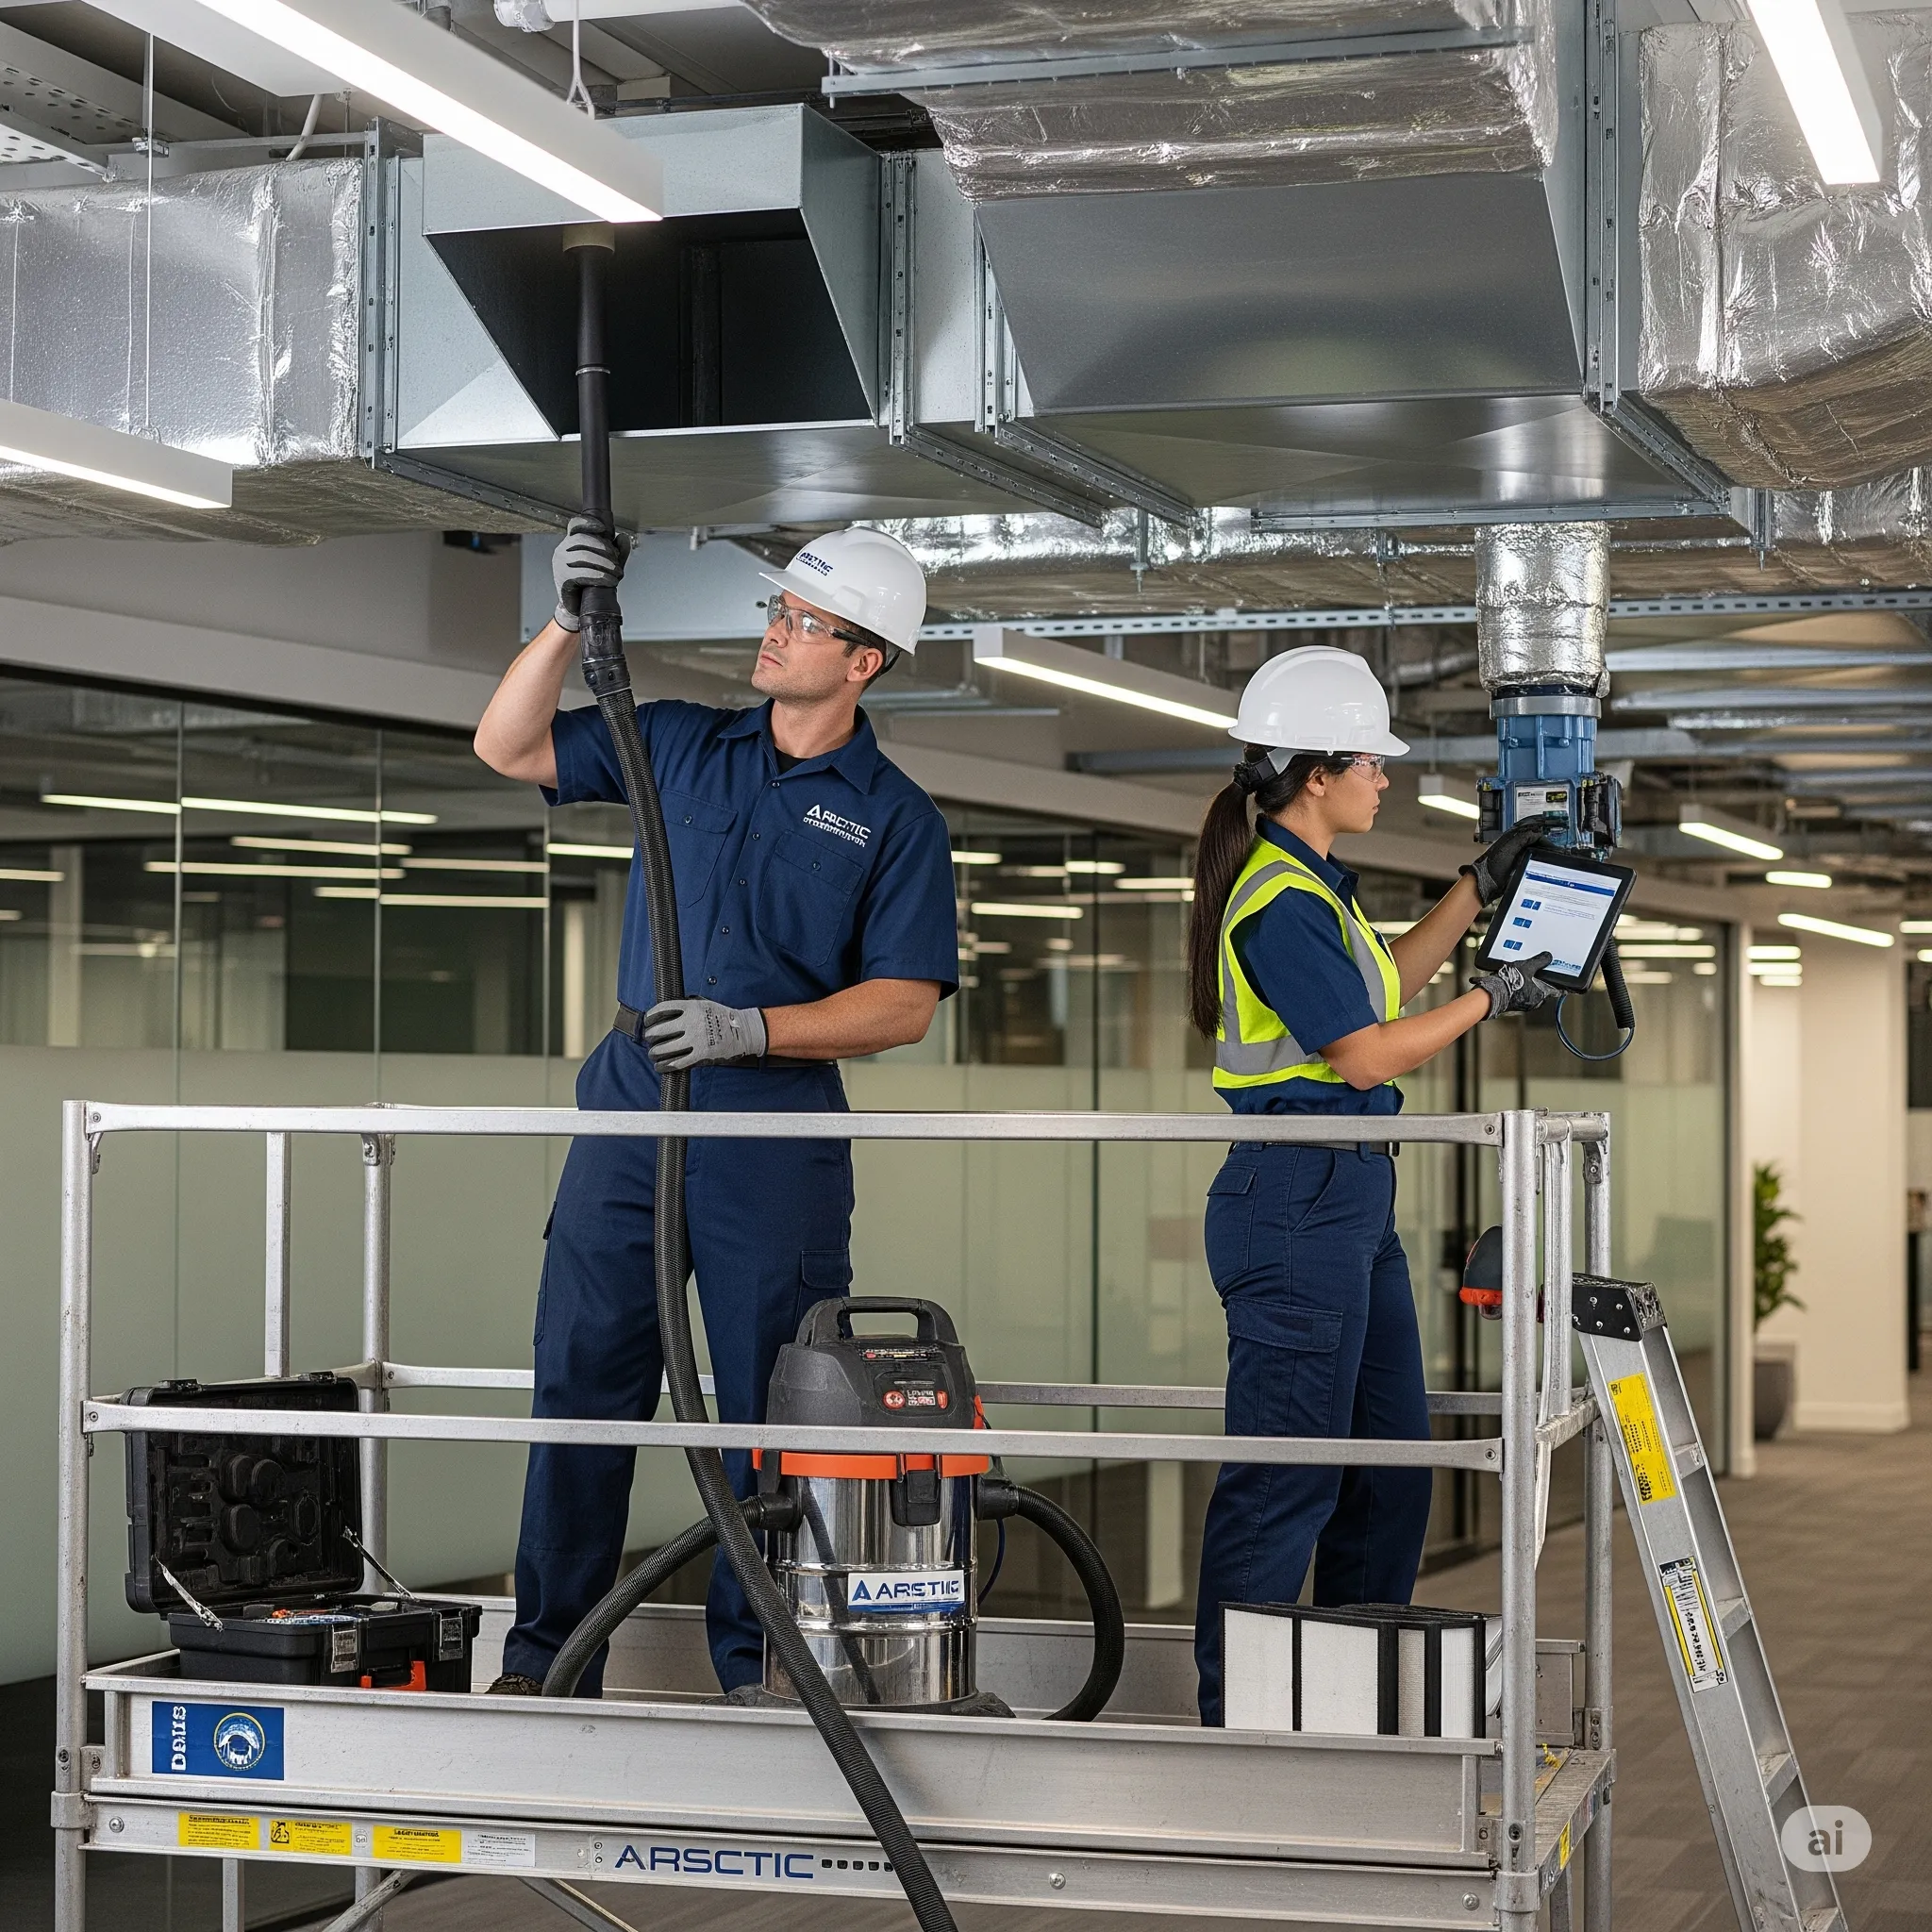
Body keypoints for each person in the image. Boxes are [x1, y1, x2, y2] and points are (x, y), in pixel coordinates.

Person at [473, 522, 959, 1697]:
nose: (778, 632)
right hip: (635, 1096)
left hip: (770, 1131)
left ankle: (758, 1668)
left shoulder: (895, 817)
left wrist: (758, 1029)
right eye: (778, 611)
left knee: (765, 1403)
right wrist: (566, 620)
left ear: (863, 660)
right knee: (582, 1378)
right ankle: (551, 1663)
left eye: (805, 623)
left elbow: (903, 1003)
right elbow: (507, 744)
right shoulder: (683, 742)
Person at [1187, 644, 1557, 1725]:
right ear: (1315, 773)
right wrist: (1493, 995)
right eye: (1369, 761)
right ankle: (1238, 1723)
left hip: (1349, 1198)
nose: (1383, 777)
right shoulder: (1273, 900)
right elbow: (1362, 1053)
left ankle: (1349, 1699)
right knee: (1286, 1479)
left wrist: (1476, 886)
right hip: (1292, 1199)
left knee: (1390, 1470)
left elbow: (1384, 984)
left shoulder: (1313, 890)